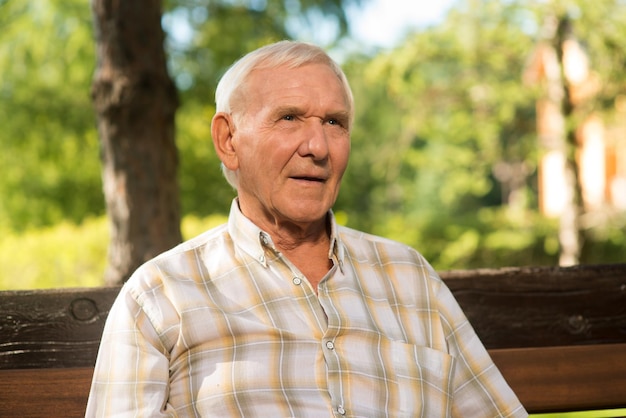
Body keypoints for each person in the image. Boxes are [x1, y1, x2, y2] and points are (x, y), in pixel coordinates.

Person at [86, 40, 527, 417]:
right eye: (289, 118)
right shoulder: (161, 296)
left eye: (334, 123)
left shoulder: (410, 277)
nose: (317, 147)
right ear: (228, 141)